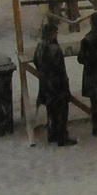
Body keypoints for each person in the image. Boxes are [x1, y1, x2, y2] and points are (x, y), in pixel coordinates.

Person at [33, 17, 76, 145]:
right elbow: (60, 69)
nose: (57, 34)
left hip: (45, 85)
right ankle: (62, 136)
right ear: (51, 33)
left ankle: (52, 133)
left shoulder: (40, 46)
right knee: (61, 111)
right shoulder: (54, 49)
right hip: (57, 85)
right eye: (55, 32)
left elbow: (36, 61)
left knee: (51, 110)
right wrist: (64, 85)